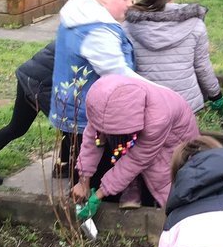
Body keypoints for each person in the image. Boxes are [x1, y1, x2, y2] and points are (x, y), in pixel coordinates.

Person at [50, 0, 140, 182]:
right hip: (89, 117)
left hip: (69, 107)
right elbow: (119, 76)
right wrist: (161, 93)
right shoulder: (98, 33)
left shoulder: (78, 14)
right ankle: (87, 212)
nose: (131, 3)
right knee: (92, 172)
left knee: (79, 165)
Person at [71, 75, 200, 210]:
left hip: (172, 145)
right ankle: (132, 186)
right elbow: (93, 137)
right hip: (142, 135)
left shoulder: (157, 119)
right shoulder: (102, 104)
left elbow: (136, 160)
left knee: (168, 187)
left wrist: (99, 194)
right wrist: (83, 181)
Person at [123, 0, 223, 113]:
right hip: (185, 105)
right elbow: (202, 66)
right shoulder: (195, 25)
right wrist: (216, 95)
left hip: (146, 106)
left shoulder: (128, 27)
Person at [0, 42, 57, 187]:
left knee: (20, 127)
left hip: (38, 77)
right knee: (19, 127)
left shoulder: (88, 30)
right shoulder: (93, 36)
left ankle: (63, 165)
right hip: (37, 81)